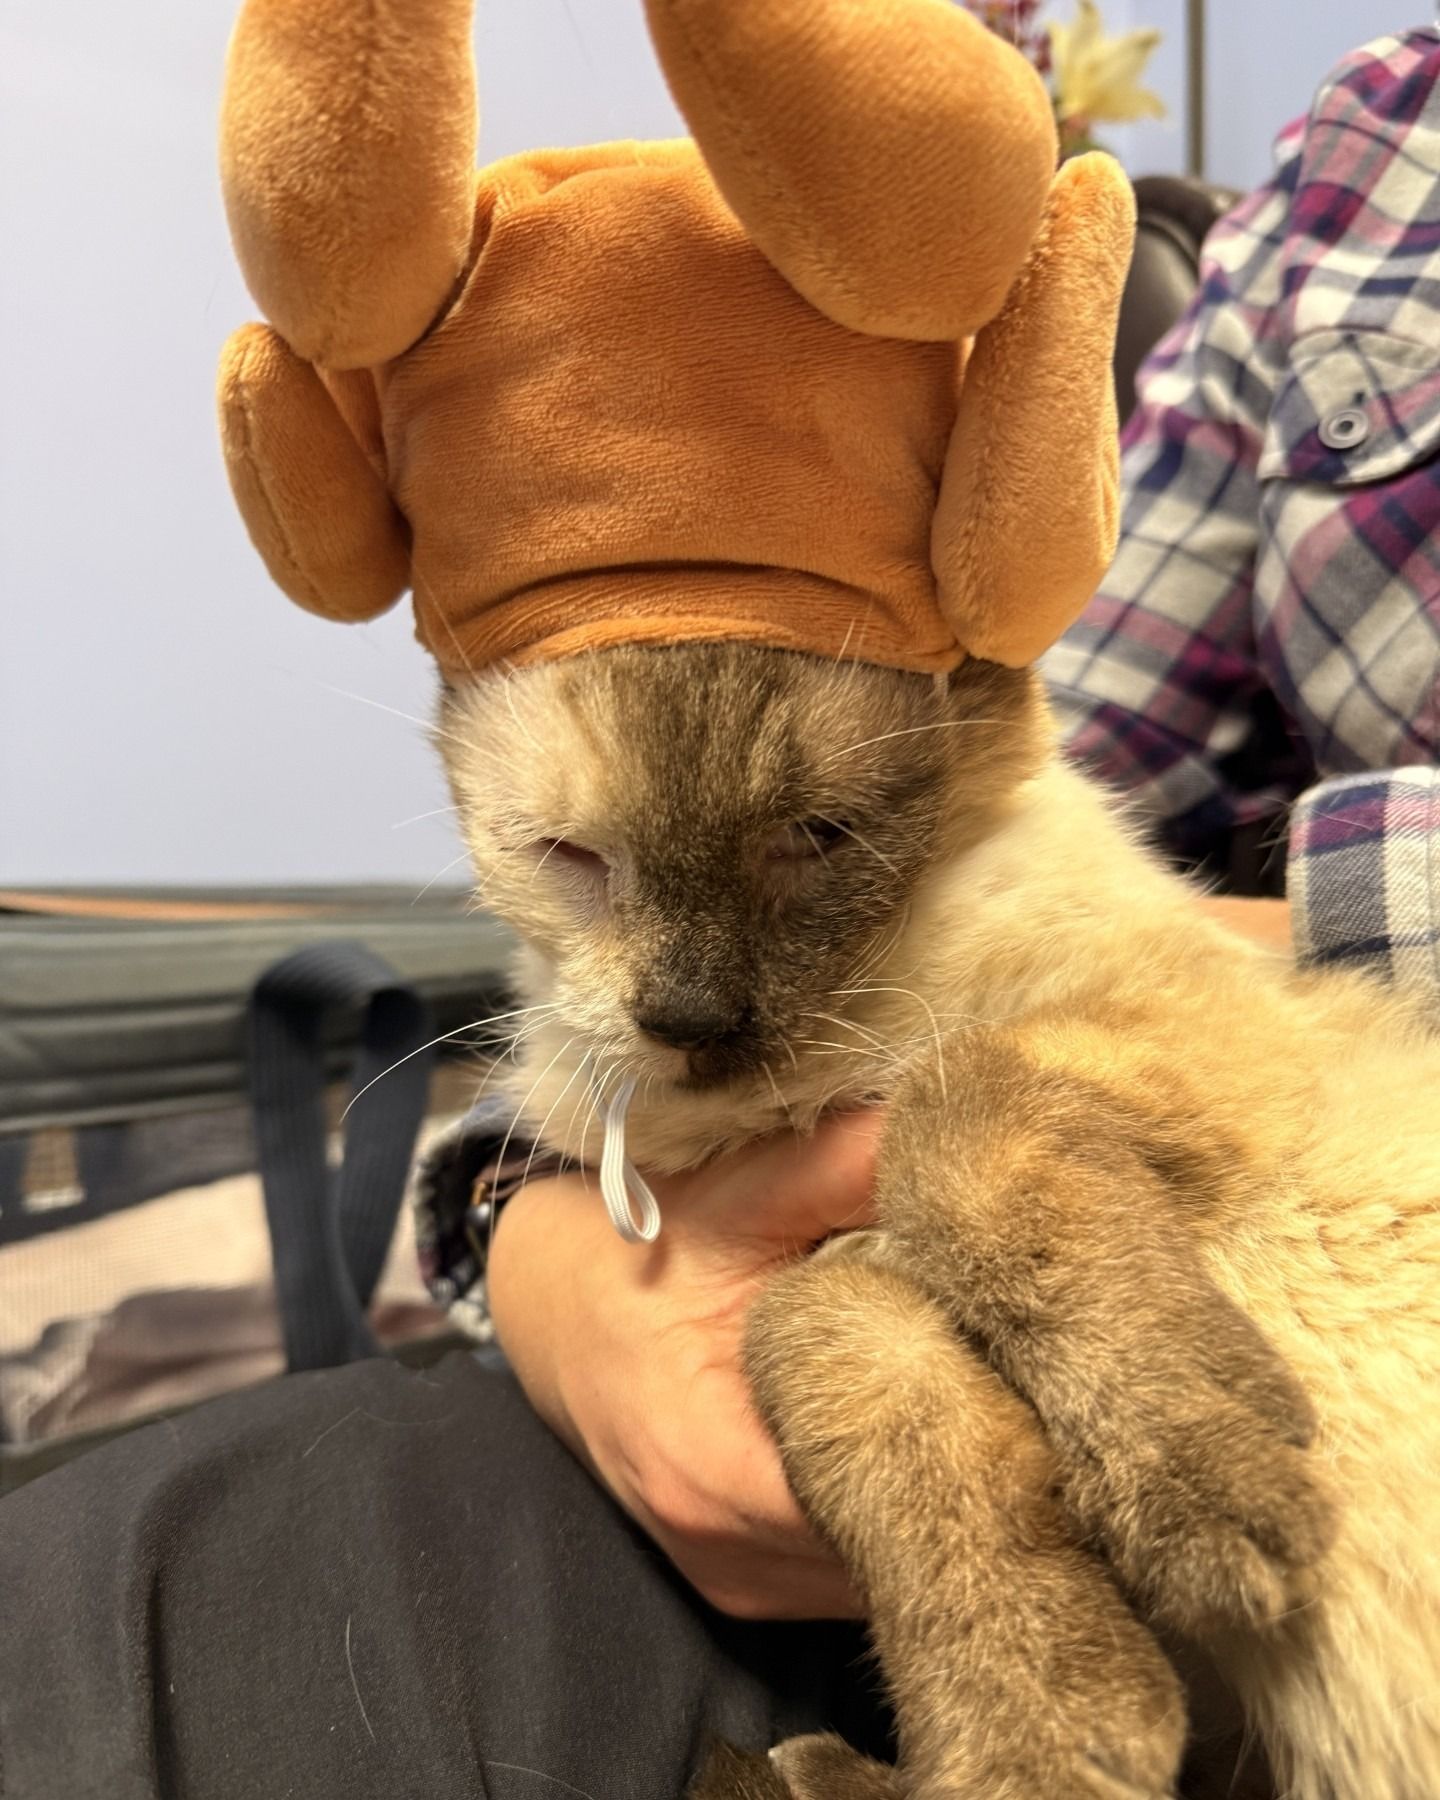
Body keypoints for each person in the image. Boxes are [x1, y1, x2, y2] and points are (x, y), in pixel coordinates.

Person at [3, 26, 1437, 1798]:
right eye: (569, 860)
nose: (684, 998)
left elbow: (1059, 863)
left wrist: (1305, 940)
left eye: (821, 833)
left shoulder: (968, 824)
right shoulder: (1348, 169)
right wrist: (532, 1243)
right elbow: (1086, 706)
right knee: (108, 1602)